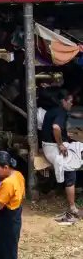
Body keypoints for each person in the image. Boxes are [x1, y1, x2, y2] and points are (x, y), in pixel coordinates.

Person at [41, 93, 82, 223]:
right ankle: (72, 207)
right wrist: (60, 145)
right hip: (53, 147)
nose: (72, 104)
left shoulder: (55, 110)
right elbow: (56, 127)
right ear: (63, 101)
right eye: (70, 101)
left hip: (49, 144)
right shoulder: (61, 113)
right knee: (71, 171)